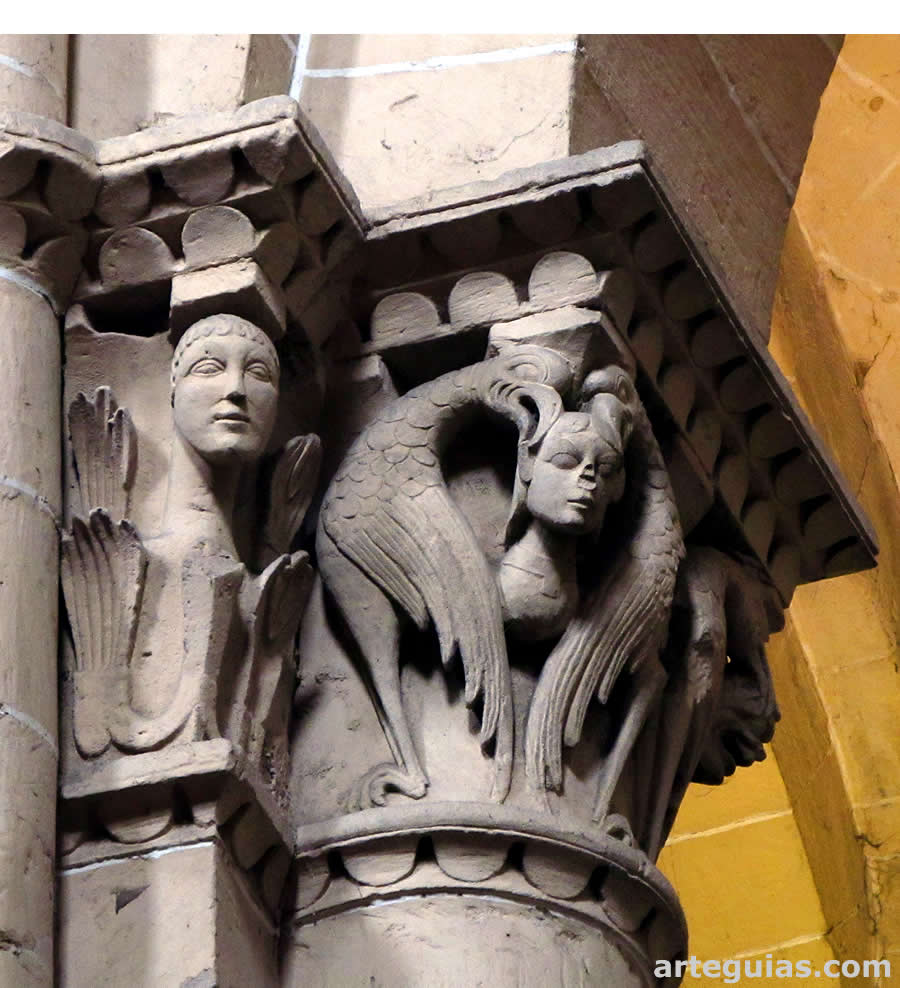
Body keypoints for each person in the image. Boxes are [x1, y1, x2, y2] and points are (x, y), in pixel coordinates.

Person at [499, 409, 626, 640]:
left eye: (605, 469)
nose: (589, 475)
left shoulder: (592, 598)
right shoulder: (483, 561)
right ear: (528, 461)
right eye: (566, 460)